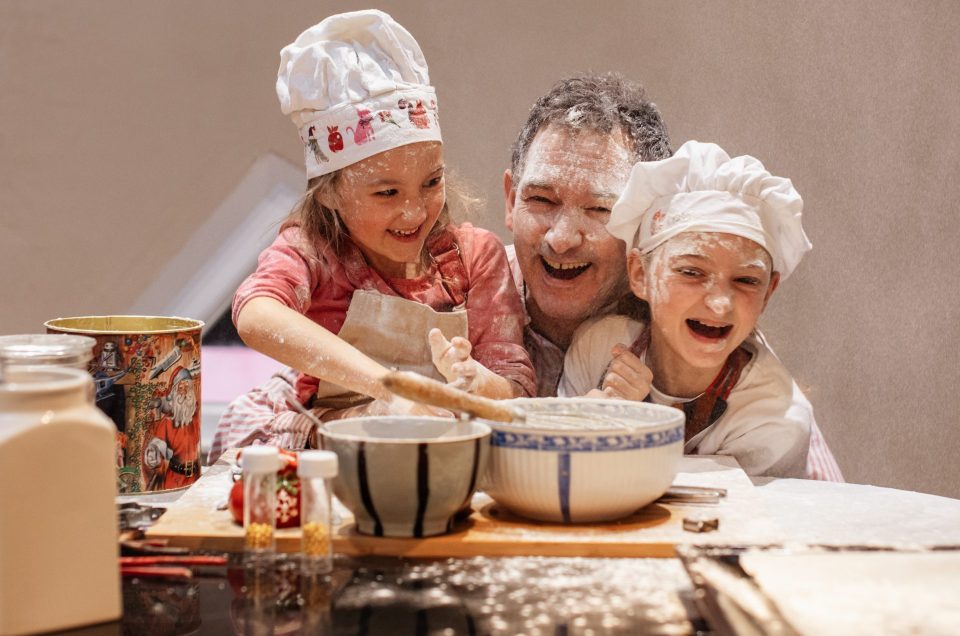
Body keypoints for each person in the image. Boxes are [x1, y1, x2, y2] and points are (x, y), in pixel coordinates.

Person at [209, 10, 535, 459]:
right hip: (333, 449)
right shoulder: (315, 251)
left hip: (449, 454)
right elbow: (256, 314)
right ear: (329, 195)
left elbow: (517, 394)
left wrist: (476, 382)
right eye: (386, 191)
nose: (414, 210)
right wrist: (388, 389)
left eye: (432, 182)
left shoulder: (475, 257)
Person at [559, 140, 824, 478]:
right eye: (691, 272)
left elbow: (717, 522)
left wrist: (625, 430)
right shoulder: (598, 349)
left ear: (768, 292)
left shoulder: (773, 421)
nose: (719, 303)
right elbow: (561, 481)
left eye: (746, 280)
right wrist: (578, 424)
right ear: (640, 275)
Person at [142, 366, 201, 490]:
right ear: (174, 390)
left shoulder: (195, 417)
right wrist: (154, 453)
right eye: (180, 385)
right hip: (175, 480)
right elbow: (156, 447)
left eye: (187, 385)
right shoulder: (167, 423)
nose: (184, 389)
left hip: (195, 478)